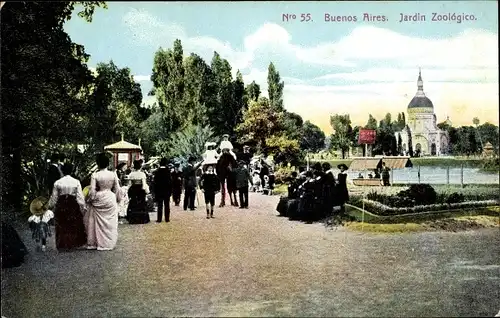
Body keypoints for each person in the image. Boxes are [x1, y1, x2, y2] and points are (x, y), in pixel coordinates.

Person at [85, 153, 121, 251]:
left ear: (98, 163)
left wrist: (90, 199)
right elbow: (117, 188)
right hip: (110, 197)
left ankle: (96, 242)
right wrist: (118, 199)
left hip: (99, 196)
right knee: (111, 221)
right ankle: (109, 242)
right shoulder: (113, 174)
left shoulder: (95, 175)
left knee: (95, 220)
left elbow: (92, 190)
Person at [48, 162, 87, 251]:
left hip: (61, 203)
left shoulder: (58, 182)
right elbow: (80, 196)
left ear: (62, 170)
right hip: (72, 203)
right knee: (72, 223)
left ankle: (62, 244)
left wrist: (50, 205)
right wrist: (83, 206)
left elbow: (54, 197)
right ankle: (72, 243)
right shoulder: (76, 181)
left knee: (62, 223)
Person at [153, 158, 172, 223]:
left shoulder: (157, 171)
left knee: (160, 205)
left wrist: (155, 191)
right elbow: (170, 182)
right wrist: (170, 191)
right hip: (166, 190)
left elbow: (155, 182)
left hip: (159, 191)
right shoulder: (168, 171)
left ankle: (159, 219)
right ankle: (167, 218)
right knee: (167, 205)